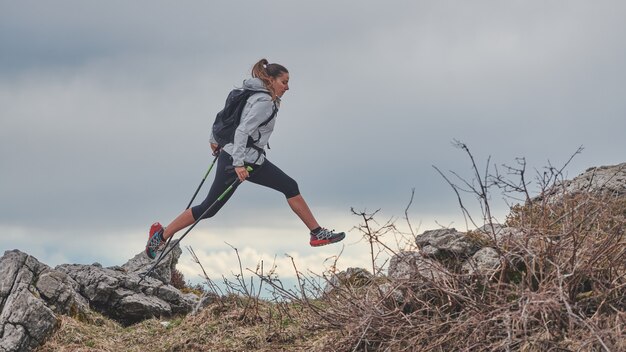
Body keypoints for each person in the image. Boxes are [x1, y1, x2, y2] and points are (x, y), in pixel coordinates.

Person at [145, 58, 346, 259]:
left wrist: (215, 140)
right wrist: (238, 163)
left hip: (251, 159)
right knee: (208, 208)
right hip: (238, 160)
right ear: (271, 80)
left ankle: (316, 233)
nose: (287, 87)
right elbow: (242, 131)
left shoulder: (257, 95)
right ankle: (160, 236)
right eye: (284, 82)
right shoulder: (264, 101)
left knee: (290, 186)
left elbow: (226, 115)